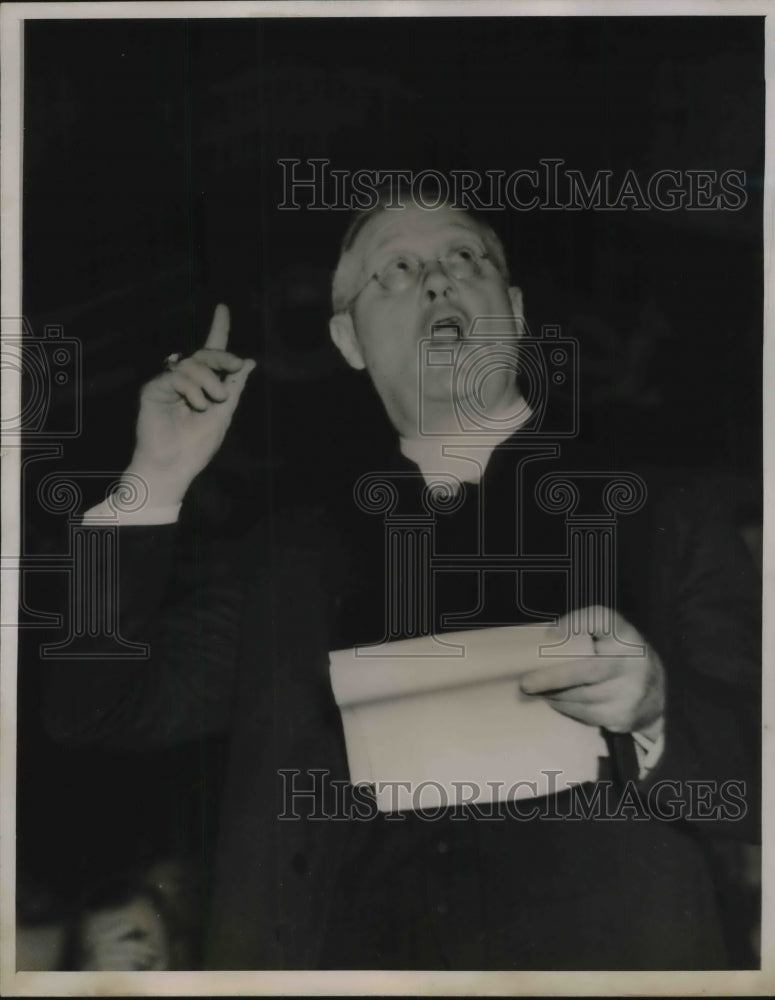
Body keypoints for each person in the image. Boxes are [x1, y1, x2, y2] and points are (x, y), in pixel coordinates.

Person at [42, 188, 761, 970]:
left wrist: (655, 706)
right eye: (395, 270)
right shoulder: (286, 563)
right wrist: (156, 476)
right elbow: (95, 709)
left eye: (464, 257)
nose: (436, 280)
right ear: (347, 339)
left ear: (513, 310)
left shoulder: (671, 515)